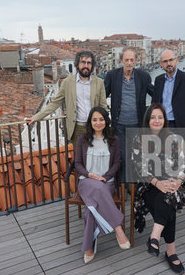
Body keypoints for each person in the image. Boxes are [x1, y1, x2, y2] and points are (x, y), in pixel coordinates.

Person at [131, 103, 185, 274]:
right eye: (153, 117)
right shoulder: (138, 139)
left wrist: (178, 180)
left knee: (169, 194)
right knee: (168, 200)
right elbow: (139, 168)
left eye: (160, 117)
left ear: (165, 120)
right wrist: (157, 182)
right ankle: (171, 252)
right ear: (147, 120)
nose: (157, 121)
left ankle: (155, 237)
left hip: (171, 183)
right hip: (148, 186)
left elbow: (183, 166)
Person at [75, 106, 130, 263]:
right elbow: (78, 163)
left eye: (101, 119)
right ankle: (118, 228)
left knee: (90, 209)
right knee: (97, 189)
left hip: (107, 183)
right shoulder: (82, 140)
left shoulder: (114, 140)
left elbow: (117, 163)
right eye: (94, 120)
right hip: (86, 182)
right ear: (90, 122)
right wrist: (88, 174)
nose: (98, 123)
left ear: (106, 121)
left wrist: (105, 177)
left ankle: (89, 246)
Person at [27, 51, 108, 149]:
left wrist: (104, 128)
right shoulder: (67, 82)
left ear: (92, 65)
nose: (86, 65)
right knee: (79, 159)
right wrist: (37, 117)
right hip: (76, 128)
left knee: (96, 157)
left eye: (89, 63)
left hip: (95, 127)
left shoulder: (99, 83)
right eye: (83, 62)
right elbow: (55, 102)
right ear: (77, 64)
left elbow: (103, 107)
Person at [104, 48, 154, 179]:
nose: (129, 63)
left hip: (137, 125)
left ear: (136, 61)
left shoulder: (143, 76)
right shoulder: (112, 75)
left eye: (132, 60)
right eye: (126, 60)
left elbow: (155, 95)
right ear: (121, 61)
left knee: (136, 156)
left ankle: (134, 187)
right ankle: (124, 186)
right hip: (119, 125)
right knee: (122, 156)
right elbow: (102, 95)